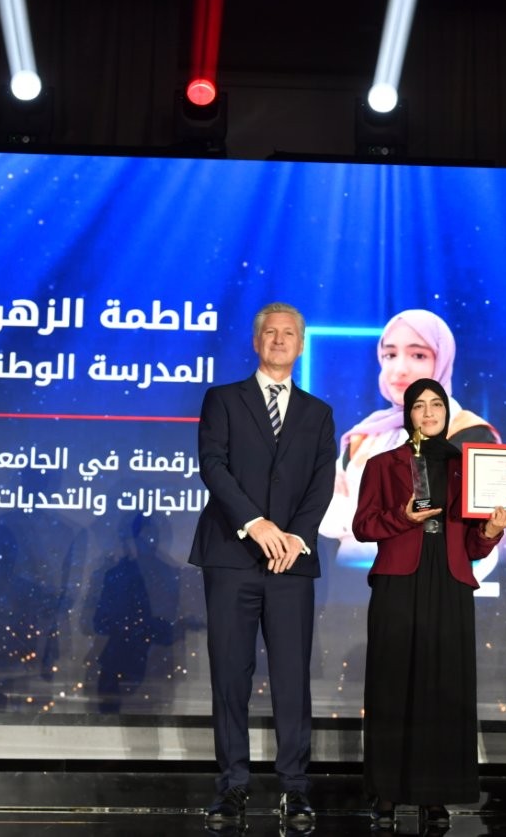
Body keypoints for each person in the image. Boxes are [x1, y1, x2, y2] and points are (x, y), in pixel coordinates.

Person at [188, 302, 337, 827]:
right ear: (256, 342)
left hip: (290, 562)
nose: (278, 340)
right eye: (269, 332)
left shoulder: (318, 413)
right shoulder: (223, 400)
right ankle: (232, 786)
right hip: (232, 557)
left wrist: (295, 536)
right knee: (230, 675)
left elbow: (322, 482)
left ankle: (295, 788)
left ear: (300, 344)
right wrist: (256, 524)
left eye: (288, 333)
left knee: (292, 678)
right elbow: (213, 466)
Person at [352, 377, 506, 826]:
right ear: (408, 414)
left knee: (444, 690)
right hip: (399, 582)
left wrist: (492, 530)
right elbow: (363, 526)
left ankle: (434, 795)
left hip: (450, 581)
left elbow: (475, 546)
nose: (428, 413)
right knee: (391, 685)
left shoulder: (469, 466)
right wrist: (402, 517)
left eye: (435, 404)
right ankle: (386, 794)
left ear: (446, 410)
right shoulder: (383, 464)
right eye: (418, 405)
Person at [320, 309, 500, 572]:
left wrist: (364, 516)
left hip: (435, 579)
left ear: (442, 360)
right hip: (353, 584)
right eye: (390, 355)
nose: (400, 369)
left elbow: (446, 519)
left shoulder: (468, 433)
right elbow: (326, 515)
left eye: (418, 355)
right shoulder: (366, 434)